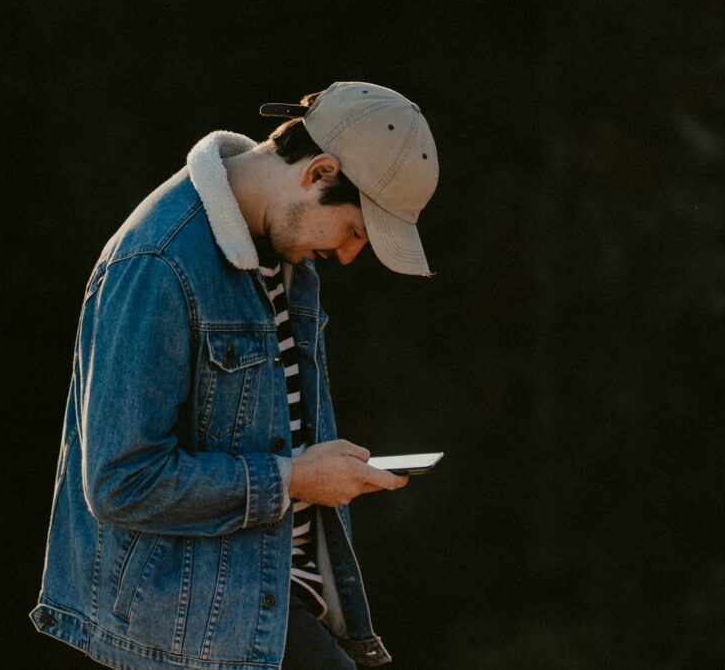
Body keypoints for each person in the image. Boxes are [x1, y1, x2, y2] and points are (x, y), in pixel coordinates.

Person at [29, 81, 439, 669]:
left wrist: (317, 472)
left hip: (272, 609)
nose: (350, 256)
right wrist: (292, 478)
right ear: (319, 172)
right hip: (190, 631)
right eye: (355, 231)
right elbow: (120, 480)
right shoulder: (157, 263)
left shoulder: (286, 254)